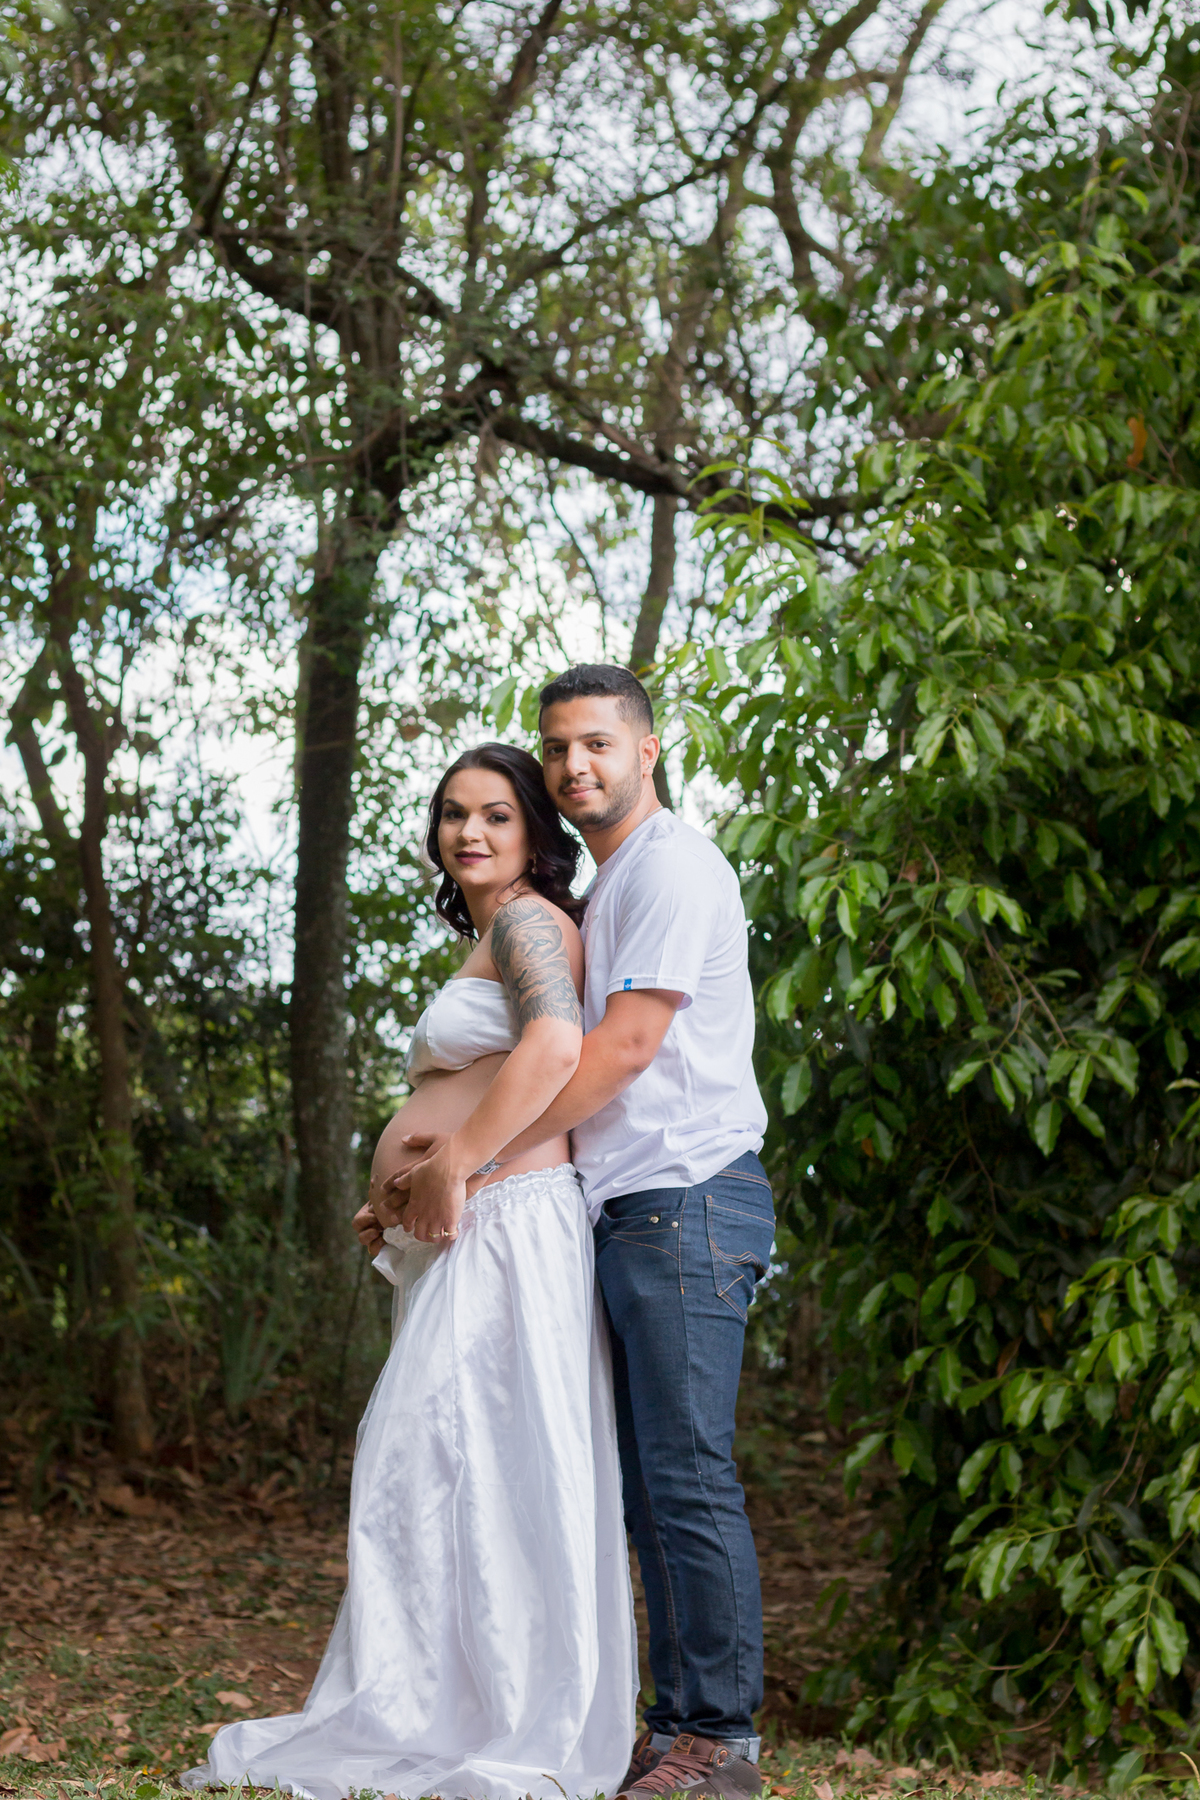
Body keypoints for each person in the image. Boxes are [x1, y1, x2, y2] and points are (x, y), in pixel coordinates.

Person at [182, 743, 636, 1800]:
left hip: (510, 1224)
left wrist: (450, 1175)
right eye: (451, 815)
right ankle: (446, 1701)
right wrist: (399, 1196)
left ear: (534, 832)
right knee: (444, 1466)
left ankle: (503, 1715)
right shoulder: (495, 933)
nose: (468, 833)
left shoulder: (527, 920)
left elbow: (555, 1052)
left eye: (495, 815)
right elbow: (484, 1081)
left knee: (447, 1459)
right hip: (469, 1222)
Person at [385, 667, 773, 1800]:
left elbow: (619, 1051)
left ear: (648, 751)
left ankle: (718, 1742)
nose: (576, 767)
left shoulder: (672, 867)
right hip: (626, 1208)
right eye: (558, 750)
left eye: (598, 744)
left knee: (687, 1475)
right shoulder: (607, 890)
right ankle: (667, 1732)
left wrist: (471, 1162)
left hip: (686, 1198)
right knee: (647, 1483)